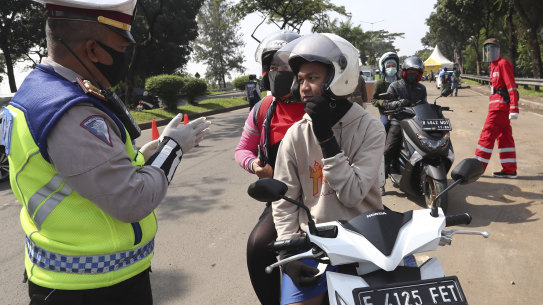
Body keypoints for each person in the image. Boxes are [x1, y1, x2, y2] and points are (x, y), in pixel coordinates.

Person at [3, 1, 211, 304]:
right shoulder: (68, 110)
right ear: (93, 49)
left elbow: (82, 170)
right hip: (95, 288)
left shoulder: (41, 92)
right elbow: (133, 198)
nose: (125, 57)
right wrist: (174, 147)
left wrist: (148, 150)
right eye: (121, 47)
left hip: (76, 280)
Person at [271, 33, 385, 305]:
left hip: (366, 239)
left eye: (313, 78)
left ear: (341, 78)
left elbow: (352, 194)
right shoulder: (295, 136)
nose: (304, 88)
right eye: (300, 80)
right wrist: (286, 253)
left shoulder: (370, 129)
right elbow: (284, 202)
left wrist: (326, 138)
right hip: (316, 242)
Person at [234, 30, 303, 305]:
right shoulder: (264, 109)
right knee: (257, 246)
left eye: (285, 66)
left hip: (325, 195)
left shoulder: (321, 105)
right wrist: (255, 166)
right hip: (282, 199)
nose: (277, 73)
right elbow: (242, 150)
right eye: (273, 67)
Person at [474, 38, 519, 178]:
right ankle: (510, 170)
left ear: (497, 50)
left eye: (492, 50)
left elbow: (511, 87)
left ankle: (477, 167)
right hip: (496, 106)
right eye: (487, 50)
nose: (489, 53)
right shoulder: (493, 66)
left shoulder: (503, 64)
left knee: (487, 135)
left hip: (500, 108)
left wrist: (514, 108)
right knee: (504, 137)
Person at [383, 56, 428, 176]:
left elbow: (424, 104)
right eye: (410, 72)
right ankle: (382, 178)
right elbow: (387, 104)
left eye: (416, 73)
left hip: (416, 122)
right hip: (399, 121)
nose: (413, 75)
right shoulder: (395, 86)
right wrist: (399, 103)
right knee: (388, 150)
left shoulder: (421, 88)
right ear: (404, 72)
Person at [371, 51, 400, 133]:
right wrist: (382, 103)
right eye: (388, 66)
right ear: (383, 67)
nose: (391, 68)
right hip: (385, 113)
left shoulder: (401, 82)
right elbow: (373, 100)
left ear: (397, 67)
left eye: (393, 66)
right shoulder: (379, 83)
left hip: (400, 111)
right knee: (384, 125)